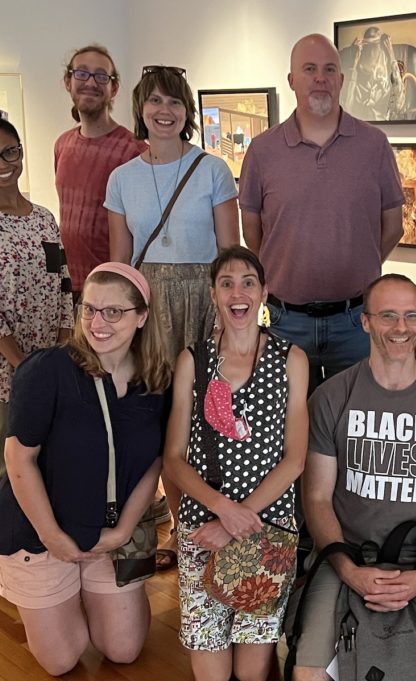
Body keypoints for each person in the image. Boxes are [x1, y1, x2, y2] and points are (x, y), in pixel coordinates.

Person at [296, 273, 416, 681]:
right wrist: (349, 570)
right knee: (307, 672)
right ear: (365, 322)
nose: (401, 328)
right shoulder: (331, 398)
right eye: (388, 316)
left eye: (410, 316)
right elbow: (316, 498)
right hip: (344, 555)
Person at [0, 262, 171, 676]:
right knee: (61, 660)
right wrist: (52, 536)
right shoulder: (46, 371)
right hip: (40, 534)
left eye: (114, 312)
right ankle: (63, 601)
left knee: (122, 649)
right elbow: (19, 460)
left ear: (142, 316)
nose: (97, 323)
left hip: (108, 535)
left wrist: (125, 530)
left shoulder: (156, 380)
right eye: (89, 310)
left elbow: (155, 461)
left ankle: (89, 601)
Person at [107, 64, 239, 569]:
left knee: (210, 416)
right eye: (156, 102)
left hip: (204, 300)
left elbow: (230, 251)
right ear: (140, 108)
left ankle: (216, 520)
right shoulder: (122, 178)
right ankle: (182, 528)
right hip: (149, 305)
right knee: (161, 418)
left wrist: (230, 315)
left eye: (175, 102)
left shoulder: (212, 170)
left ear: (187, 112)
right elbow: (120, 260)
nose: (165, 111)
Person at [163, 247, 308, 681]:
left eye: (248, 282)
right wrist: (222, 511)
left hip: (269, 529)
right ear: (213, 295)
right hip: (202, 527)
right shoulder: (194, 361)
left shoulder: (290, 360)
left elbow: (295, 459)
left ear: (263, 292)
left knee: (251, 672)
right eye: (226, 283)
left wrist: (236, 520)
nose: (237, 292)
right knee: (211, 671)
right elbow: (173, 459)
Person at [239, 33, 404, 395]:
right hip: (286, 322)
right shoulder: (263, 151)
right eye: (309, 69)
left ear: (342, 80)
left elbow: (392, 226)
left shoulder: (373, 145)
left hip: (357, 321)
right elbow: (253, 231)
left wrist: (360, 258)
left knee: (357, 430)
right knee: (289, 432)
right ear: (292, 81)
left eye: (330, 69)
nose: (320, 78)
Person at [0, 102, 74, 521]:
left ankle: (45, 541)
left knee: (48, 457)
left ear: (21, 153)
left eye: (9, 152)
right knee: (2, 464)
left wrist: (60, 352)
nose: (1, 164)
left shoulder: (43, 218)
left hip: (45, 361)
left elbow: (63, 287)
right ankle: (7, 549)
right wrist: (21, 366)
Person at [55, 44, 147, 298]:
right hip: (68, 287)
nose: (90, 83)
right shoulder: (62, 144)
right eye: (82, 73)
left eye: (101, 76)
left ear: (113, 87)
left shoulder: (134, 151)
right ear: (68, 81)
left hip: (112, 288)